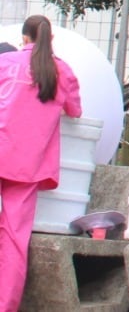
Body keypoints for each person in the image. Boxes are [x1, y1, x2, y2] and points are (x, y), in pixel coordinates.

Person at [0, 15, 82, 312]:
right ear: (51, 39)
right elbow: (75, 110)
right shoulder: (62, 71)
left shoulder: (5, 62)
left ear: (23, 38)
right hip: (26, 165)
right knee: (14, 239)